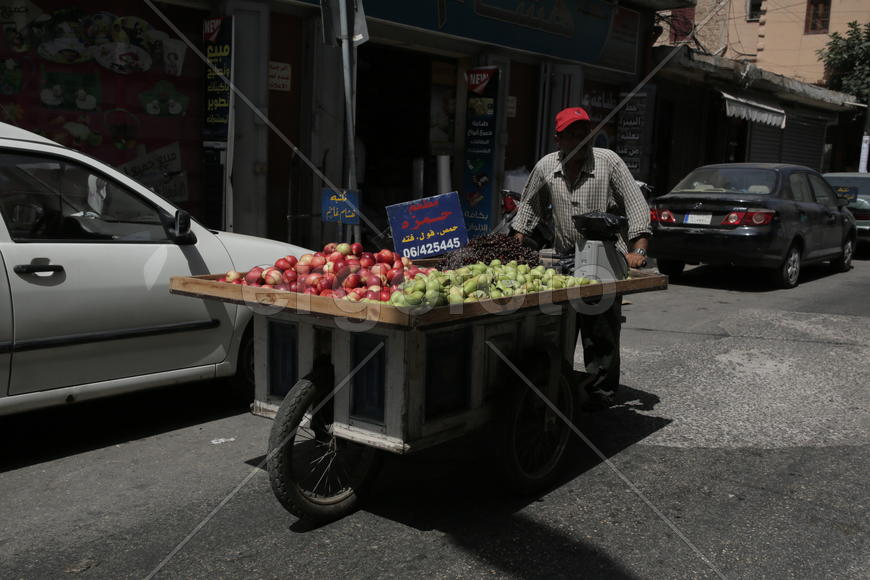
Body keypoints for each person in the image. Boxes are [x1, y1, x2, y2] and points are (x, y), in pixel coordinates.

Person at [512, 106, 651, 411]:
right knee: (559, 327)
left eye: (584, 131)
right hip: (563, 260)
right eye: (573, 132)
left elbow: (636, 203)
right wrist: (514, 243)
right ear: (557, 138)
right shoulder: (546, 166)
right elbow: (528, 210)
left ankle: (601, 394)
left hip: (604, 259)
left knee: (599, 332)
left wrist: (637, 250)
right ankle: (559, 385)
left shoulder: (608, 162)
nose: (581, 137)